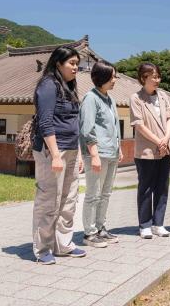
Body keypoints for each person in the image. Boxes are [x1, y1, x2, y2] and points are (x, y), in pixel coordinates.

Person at [32, 45, 86, 264]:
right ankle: (42, 248)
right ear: (58, 64)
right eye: (72, 63)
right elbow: (45, 122)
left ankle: (63, 244)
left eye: (77, 64)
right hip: (52, 150)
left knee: (69, 199)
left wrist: (80, 154)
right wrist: (55, 155)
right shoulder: (48, 86)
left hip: (72, 148)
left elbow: (75, 123)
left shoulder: (70, 87)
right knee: (48, 200)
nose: (76, 68)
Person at [129, 63, 170, 239]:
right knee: (146, 188)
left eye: (158, 76)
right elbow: (139, 125)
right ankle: (145, 225)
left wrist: (165, 138)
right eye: (154, 77)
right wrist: (158, 141)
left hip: (165, 149)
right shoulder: (136, 98)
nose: (157, 80)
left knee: (162, 187)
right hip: (146, 151)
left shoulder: (163, 96)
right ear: (143, 78)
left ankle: (159, 223)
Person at [80, 61, 123, 248]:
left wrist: (119, 147)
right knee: (93, 194)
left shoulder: (110, 99)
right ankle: (89, 234)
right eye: (113, 76)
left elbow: (113, 126)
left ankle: (100, 228)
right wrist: (94, 155)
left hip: (111, 153)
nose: (115, 80)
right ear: (103, 77)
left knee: (105, 194)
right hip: (97, 154)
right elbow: (87, 129)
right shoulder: (91, 98)